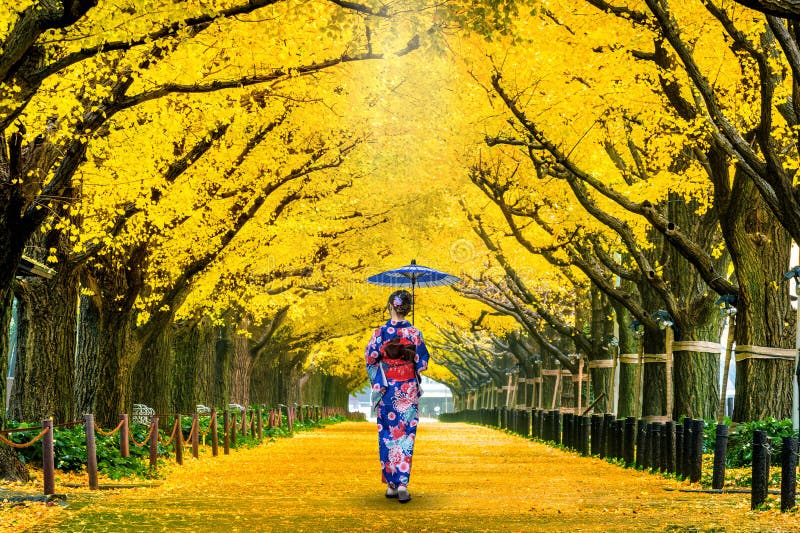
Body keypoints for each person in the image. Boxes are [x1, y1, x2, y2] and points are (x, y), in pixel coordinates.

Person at [364, 289, 430, 504]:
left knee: (387, 435)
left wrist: (381, 375)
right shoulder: (414, 333)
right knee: (406, 434)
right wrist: (410, 352)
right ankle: (402, 483)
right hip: (408, 389)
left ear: (390, 306)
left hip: (387, 389)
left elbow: (370, 357)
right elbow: (422, 363)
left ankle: (391, 485)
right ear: (407, 308)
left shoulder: (380, 332)